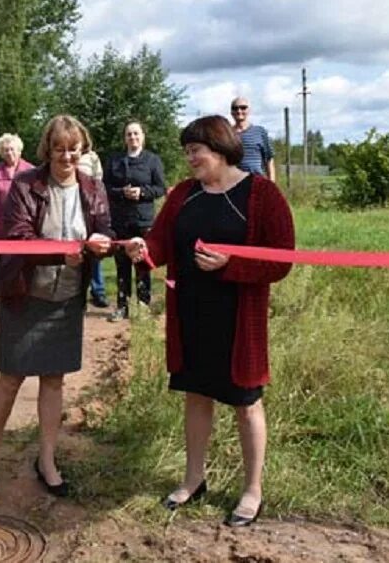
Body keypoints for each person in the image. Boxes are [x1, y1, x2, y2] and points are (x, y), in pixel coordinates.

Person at [125, 115, 294, 527]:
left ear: (218, 147)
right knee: (196, 396)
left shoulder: (262, 194)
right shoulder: (184, 193)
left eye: (195, 150)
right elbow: (162, 241)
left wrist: (231, 264)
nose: (190, 159)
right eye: (186, 152)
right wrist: (142, 250)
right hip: (192, 316)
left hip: (238, 321)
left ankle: (252, 490)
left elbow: (282, 259)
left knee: (246, 404)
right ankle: (193, 480)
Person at [0, 115, 113, 497]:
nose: (67, 156)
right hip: (25, 294)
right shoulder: (25, 185)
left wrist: (103, 240)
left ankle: (47, 459)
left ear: (83, 149)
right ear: (47, 150)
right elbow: (18, 238)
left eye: (73, 148)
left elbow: (106, 227)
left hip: (67, 298)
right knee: (12, 376)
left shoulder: (94, 188)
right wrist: (60, 257)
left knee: (54, 380)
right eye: (59, 148)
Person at [103, 120, 167, 321]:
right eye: (129, 134)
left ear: (143, 137)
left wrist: (142, 192)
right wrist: (122, 192)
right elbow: (105, 188)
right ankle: (122, 306)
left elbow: (160, 188)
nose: (133, 138)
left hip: (143, 221)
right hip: (120, 221)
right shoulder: (114, 161)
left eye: (136, 134)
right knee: (122, 265)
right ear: (125, 138)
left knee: (142, 264)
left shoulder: (152, 160)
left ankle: (143, 306)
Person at [77, 149, 109, 308]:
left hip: (91, 212)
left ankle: (98, 291)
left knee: (94, 256)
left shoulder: (93, 156)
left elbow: (98, 177)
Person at [0, 133, 33, 238]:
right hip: (1, 224)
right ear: (1, 153)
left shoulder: (31, 170)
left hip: (25, 223)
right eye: (5, 150)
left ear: (19, 151)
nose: (9, 153)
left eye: (12, 149)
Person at [230, 97, 276, 183]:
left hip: (257, 182)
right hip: (234, 184)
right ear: (231, 112)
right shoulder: (227, 134)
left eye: (243, 107)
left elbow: (269, 159)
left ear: (249, 110)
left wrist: (272, 184)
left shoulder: (260, 132)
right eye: (235, 108)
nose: (239, 111)